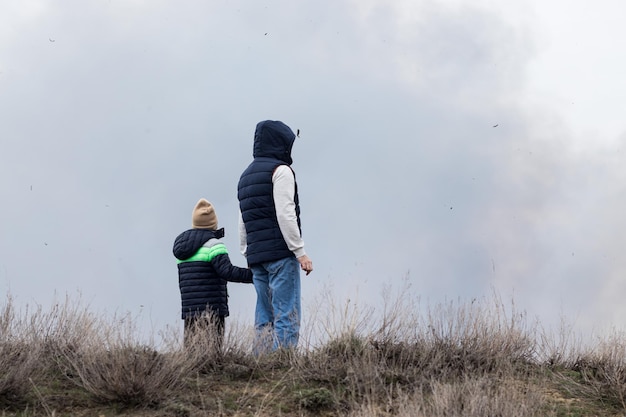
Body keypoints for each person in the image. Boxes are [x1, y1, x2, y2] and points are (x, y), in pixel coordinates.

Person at [237, 120, 313, 352]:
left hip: (256, 256)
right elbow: (285, 212)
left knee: (264, 315)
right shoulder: (281, 171)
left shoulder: (246, 175)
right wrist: (300, 252)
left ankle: (260, 367)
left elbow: (243, 218)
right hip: (280, 254)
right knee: (286, 312)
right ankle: (283, 366)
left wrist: (246, 251)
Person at [173, 198, 253, 348]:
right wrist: (254, 275)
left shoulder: (182, 251)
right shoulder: (214, 245)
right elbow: (227, 272)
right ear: (213, 223)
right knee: (212, 350)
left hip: (189, 309)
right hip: (212, 309)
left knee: (192, 352)